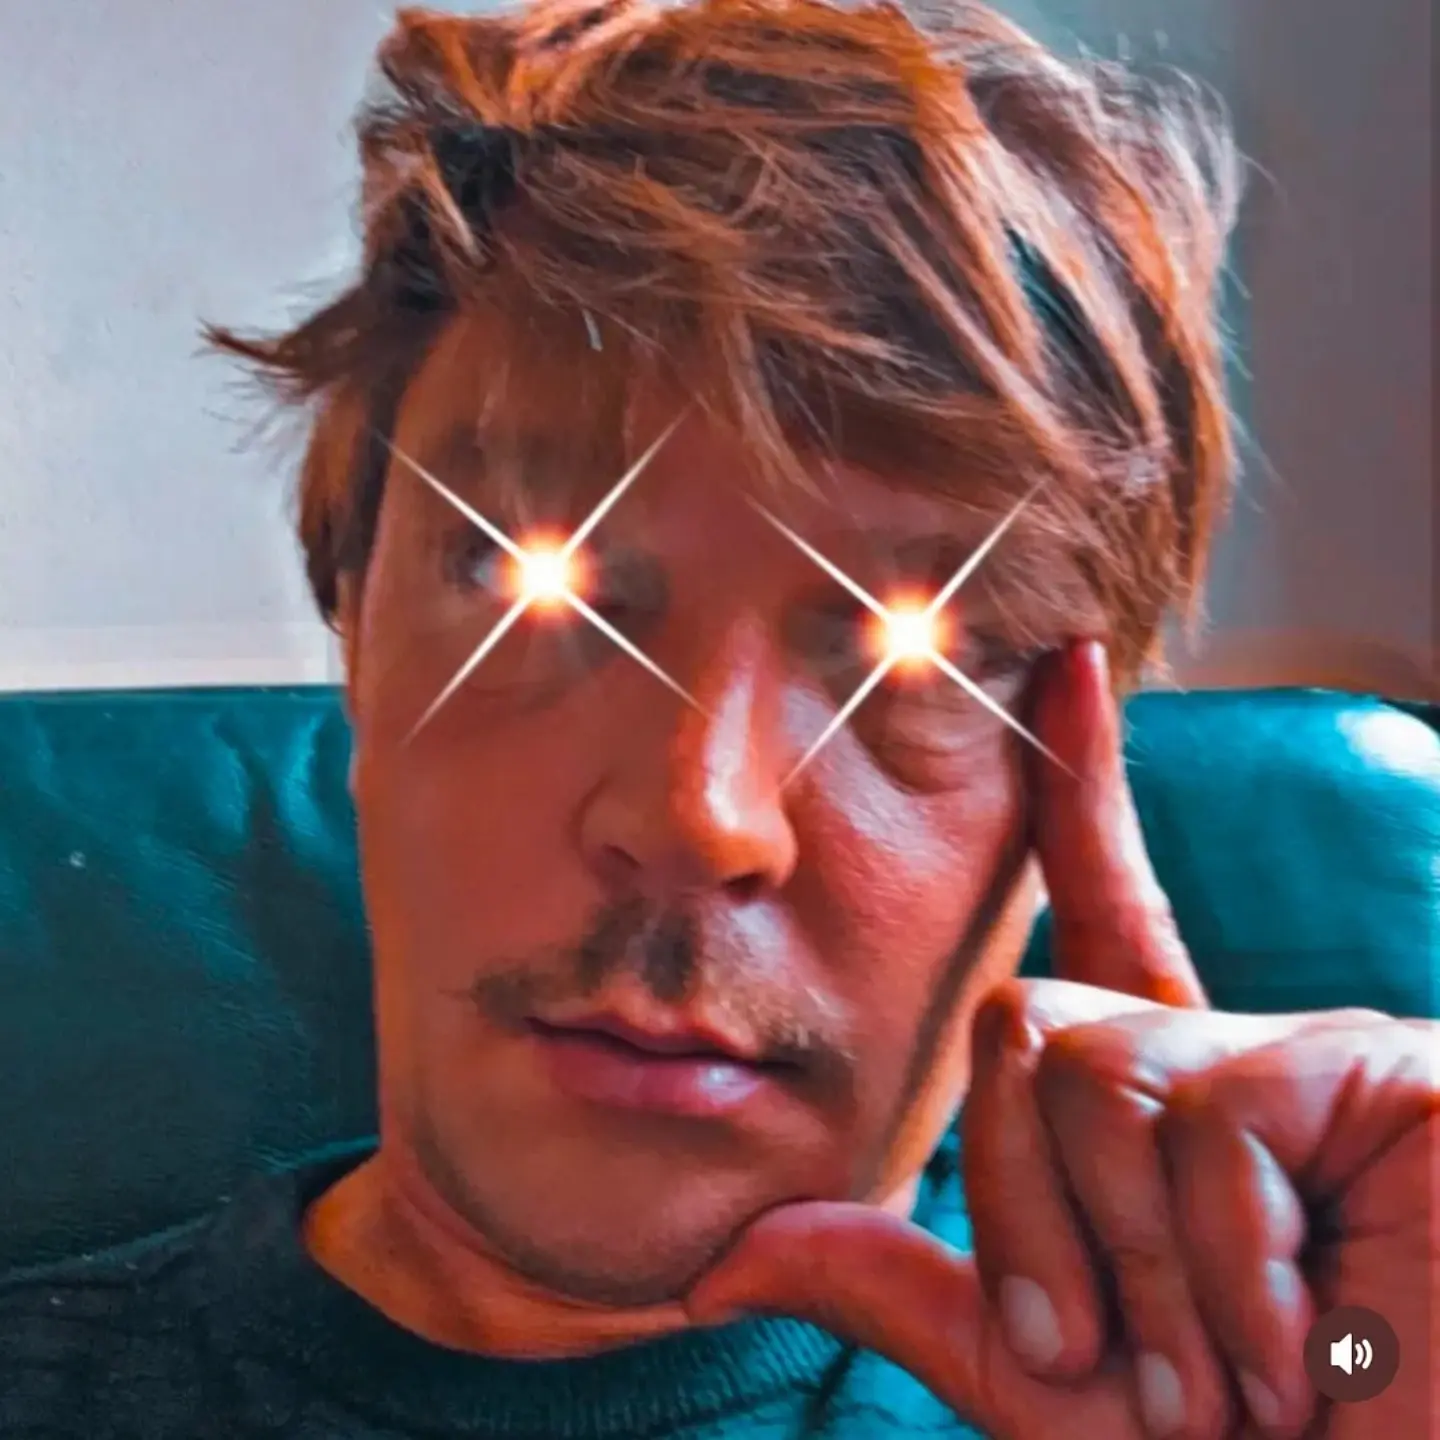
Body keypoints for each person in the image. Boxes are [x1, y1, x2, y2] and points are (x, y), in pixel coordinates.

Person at [2, 1, 1432, 1436]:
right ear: (356, 628)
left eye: (919, 650)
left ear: (1078, 768)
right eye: (527, 582)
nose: (699, 815)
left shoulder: (1311, 1359)